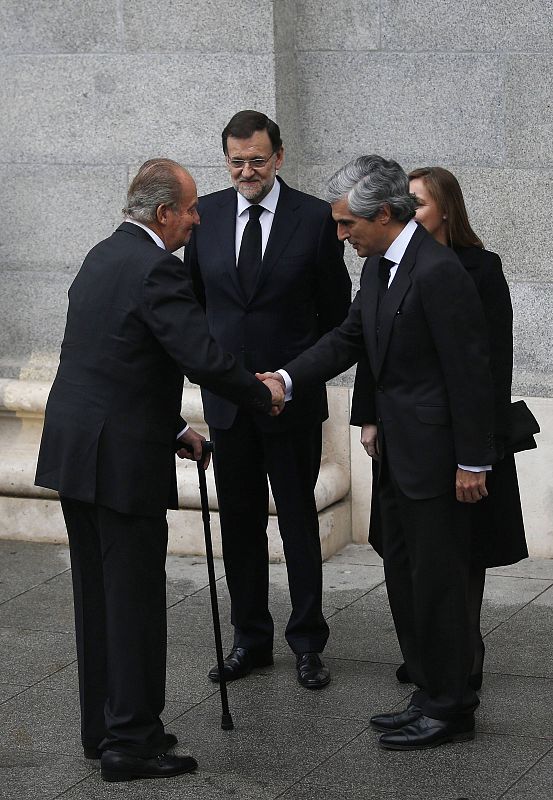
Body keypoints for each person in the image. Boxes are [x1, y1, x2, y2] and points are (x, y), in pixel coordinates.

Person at [35, 159, 284, 782]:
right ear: (164, 212)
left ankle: (105, 727)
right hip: (119, 465)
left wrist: (175, 430)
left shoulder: (100, 256)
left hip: (78, 453)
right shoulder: (157, 270)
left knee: (98, 599)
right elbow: (200, 356)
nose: (199, 219)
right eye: (193, 208)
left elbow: (114, 360)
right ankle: (133, 742)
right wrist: (264, 394)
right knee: (136, 602)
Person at [259, 155, 497, 750]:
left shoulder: (439, 272)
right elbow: (348, 339)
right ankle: (428, 692)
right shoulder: (381, 270)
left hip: (440, 461)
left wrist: (474, 460)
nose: (342, 237)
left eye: (347, 226)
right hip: (398, 453)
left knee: (438, 583)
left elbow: (471, 372)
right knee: (405, 576)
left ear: (385, 215)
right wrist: (287, 378)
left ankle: (450, 706)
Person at [183, 110, 351, 689]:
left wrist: (292, 375)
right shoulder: (204, 216)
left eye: (257, 160)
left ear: (279, 156)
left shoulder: (313, 219)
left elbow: (337, 317)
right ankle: (250, 639)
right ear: (225, 159)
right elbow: (199, 305)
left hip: (292, 404)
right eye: (237, 161)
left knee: (299, 522)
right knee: (240, 526)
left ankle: (307, 641)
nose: (247, 171)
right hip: (229, 405)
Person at [372, 165, 526, 690]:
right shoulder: (390, 265)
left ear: (446, 209)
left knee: (460, 559)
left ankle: (460, 664)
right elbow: (374, 346)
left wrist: (476, 448)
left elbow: (487, 365)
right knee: (408, 556)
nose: (408, 211)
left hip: (460, 438)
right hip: (406, 439)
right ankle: (427, 658)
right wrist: (366, 416)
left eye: (418, 202)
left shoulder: (477, 270)